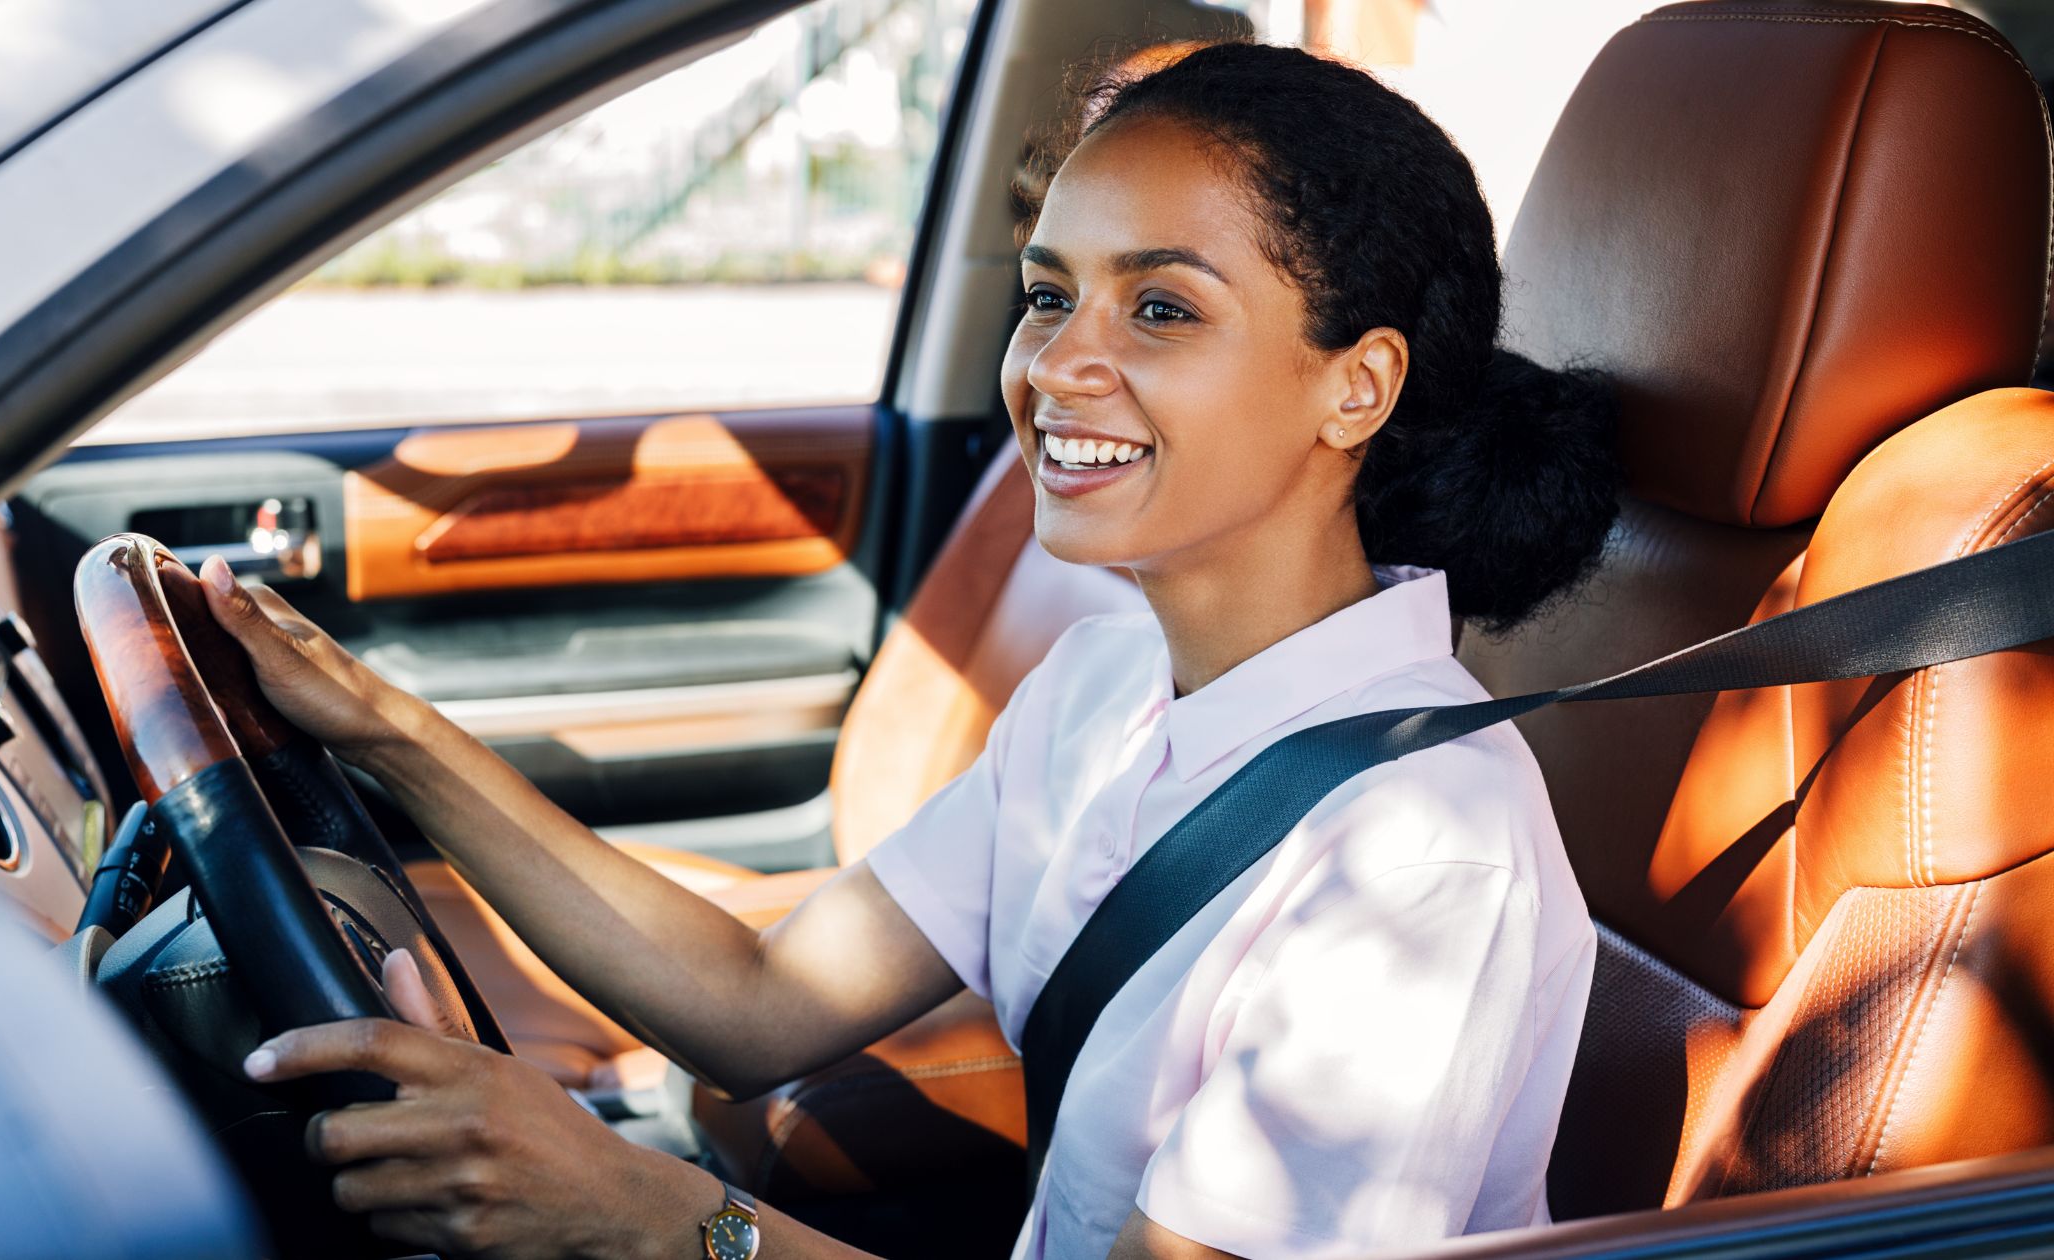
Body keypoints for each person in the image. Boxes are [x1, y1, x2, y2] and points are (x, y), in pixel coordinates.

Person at [208, 37, 1620, 1260]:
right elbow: (758, 1000)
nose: (1057, 362)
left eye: (1164, 308)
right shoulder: (1109, 685)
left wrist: (641, 1216)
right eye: (1049, 291)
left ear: (1356, 385)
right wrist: (383, 728)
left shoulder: (1419, 850)